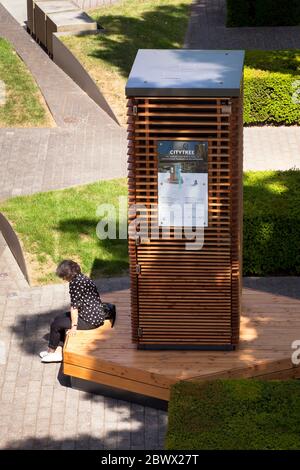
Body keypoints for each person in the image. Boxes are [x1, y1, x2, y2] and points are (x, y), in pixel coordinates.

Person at [39, 260, 115, 363]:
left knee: (56, 325)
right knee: (58, 319)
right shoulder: (82, 278)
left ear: (68, 275)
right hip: (94, 313)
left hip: (90, 320)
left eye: (63, 277)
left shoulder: (75, 284)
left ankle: (52, 352)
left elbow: (74, 307)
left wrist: (74, 327)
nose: (63, 279)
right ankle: (57, 351)